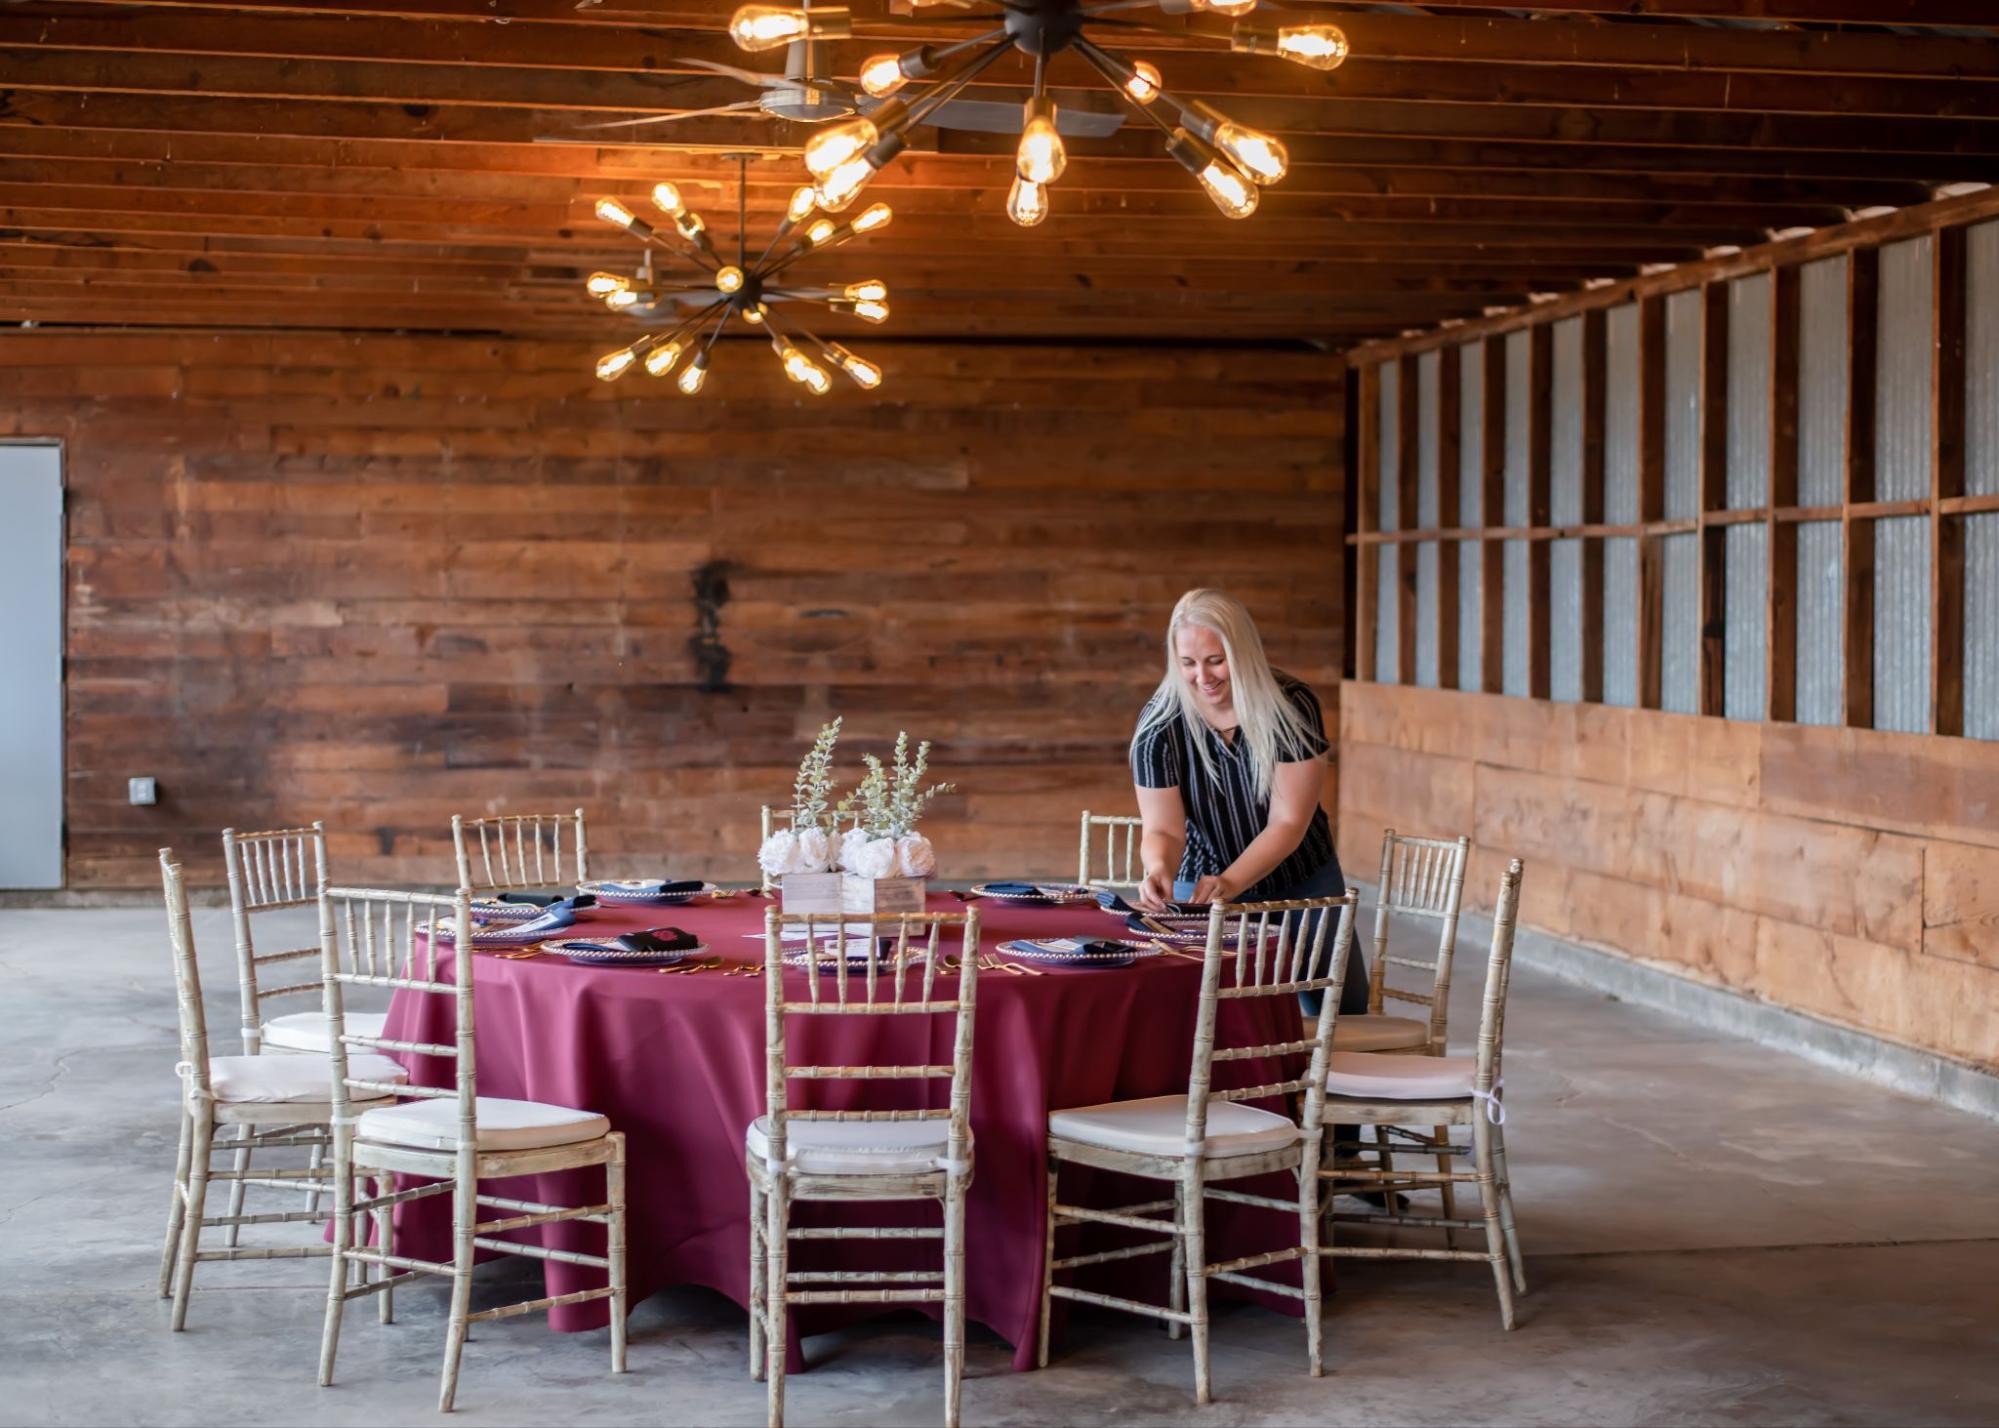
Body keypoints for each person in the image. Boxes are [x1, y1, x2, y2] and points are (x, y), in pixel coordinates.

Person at [1129, 588, 1367, 1020]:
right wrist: (1158, 868)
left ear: (1243, 651)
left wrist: (1233, 881)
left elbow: (1288, 822)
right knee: (1206, 1015)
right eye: (1188, 663)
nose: (1203, 676)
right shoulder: (1159, 724)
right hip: (1202, 886)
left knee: (1341, 1012)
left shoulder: (1290, 706)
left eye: (1216, 660)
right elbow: (1162, 830)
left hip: (1302, 882)